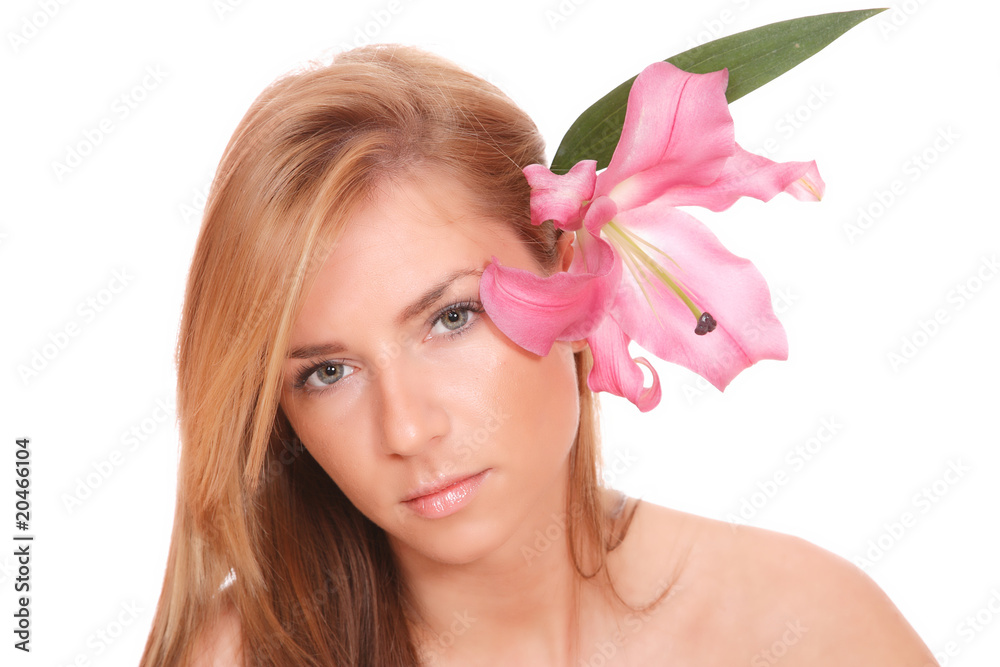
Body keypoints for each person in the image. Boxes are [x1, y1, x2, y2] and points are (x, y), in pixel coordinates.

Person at [140, 44, 937, 666]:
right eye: (326, 372)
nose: (407, 429)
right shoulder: (239, 655)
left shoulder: (806, 628)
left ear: (571, 271)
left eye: (452, 317)